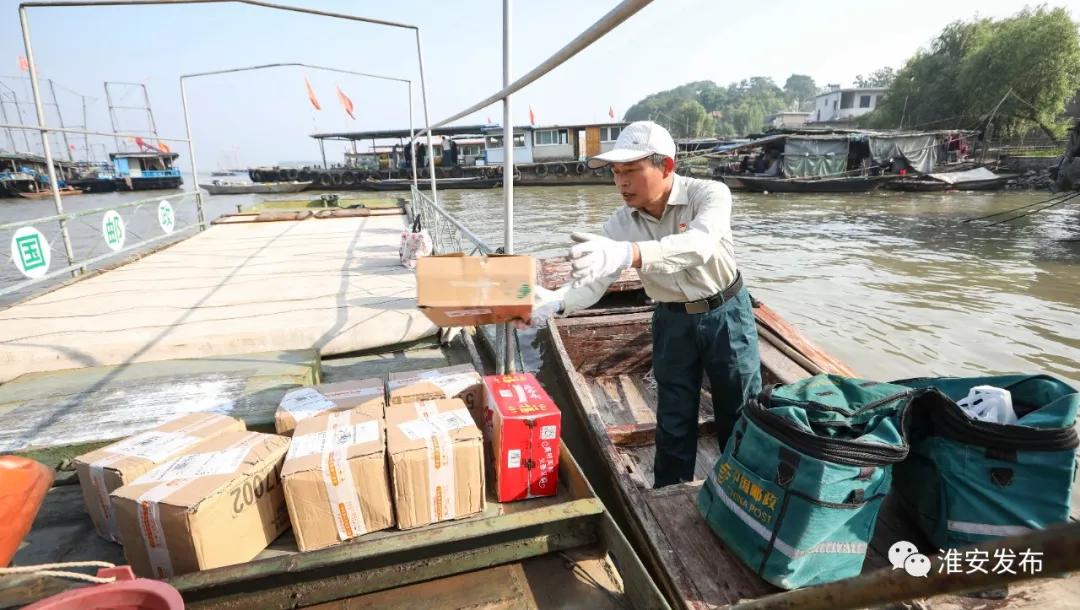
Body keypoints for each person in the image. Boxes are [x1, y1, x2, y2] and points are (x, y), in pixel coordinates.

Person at [528, 121, 762, 487]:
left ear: (666, 166)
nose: (621, 182)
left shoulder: (709, 194)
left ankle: (745, 489)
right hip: (672, 320)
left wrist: (630, 253)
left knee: (741, 411)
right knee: (673, 417)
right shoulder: (619, 225)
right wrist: (558, 301)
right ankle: (669, 492)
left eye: (631, 171)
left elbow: (699, 246)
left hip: (725, 314)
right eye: (616, 172)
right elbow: (595, 281)